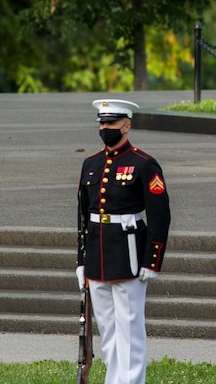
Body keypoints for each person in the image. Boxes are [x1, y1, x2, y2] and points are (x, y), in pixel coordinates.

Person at [76, 99, 171, 384]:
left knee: (129, 330)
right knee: (108, 331)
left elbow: (159, 215)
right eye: (102, 124)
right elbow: (83, 217)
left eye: (111, 124)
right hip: (98, 254)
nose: (105, 129)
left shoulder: (143, 164)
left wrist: (151, 260)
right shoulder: (91, 164)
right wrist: (81, 260)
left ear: (127, 126)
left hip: (129, 253)